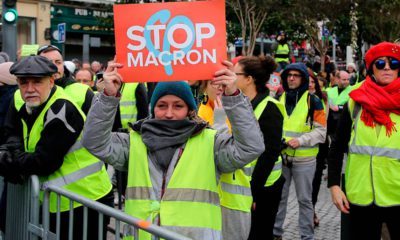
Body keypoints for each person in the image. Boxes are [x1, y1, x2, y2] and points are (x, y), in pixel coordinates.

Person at [81, 60, 265, 240]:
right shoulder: (135, 141)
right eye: (162, 105)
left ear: (189, 110)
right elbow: (94, 142)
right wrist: (107, 97)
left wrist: (233, 97)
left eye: (178, 106)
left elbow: (250, 147)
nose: (169, 113)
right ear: (153, 109)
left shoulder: (210, 142)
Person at [0, 55, 113, 239]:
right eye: (23, 82)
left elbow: (44, 162)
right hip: (64, 201)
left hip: (86, 200)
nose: (29, 89)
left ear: (51, 81)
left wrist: (8, 161)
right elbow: (13, 133)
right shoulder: (32, 103)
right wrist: (11, 150)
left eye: (37, 82)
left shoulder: (61, 109)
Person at [328, 42, 400, 240]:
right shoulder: (356, 101)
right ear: (371, 68)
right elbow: (337, 146)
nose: (387, 67)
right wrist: (334, 186)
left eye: (394, 63)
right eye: (380, 63)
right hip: (360, 196)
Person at [234, 56, 285, 240]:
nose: (232, 78)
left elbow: (269, 154)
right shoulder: (240, 104)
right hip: (244, 184)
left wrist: (252, 193)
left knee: (259, 234)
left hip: (264, 187)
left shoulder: (270, 107)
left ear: (249, 79)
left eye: (235, 74)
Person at [273, 63, 327, 240]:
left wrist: (301, 141)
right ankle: (276, 233)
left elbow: (321, 132)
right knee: (280, 198)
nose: (291, 78)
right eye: (289, 75)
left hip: (305, 160)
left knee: (305, 200)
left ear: (303, 79)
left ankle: (307, 236)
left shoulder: (314, 101)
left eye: (296, 75)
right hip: (282, 158)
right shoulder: (278, 98)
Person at [37, 45, 94, 114]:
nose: (55, 67)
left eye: (58, 62)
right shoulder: (25, 92)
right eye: (48, 63)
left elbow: (97, 122)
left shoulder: (84, 91)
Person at [326, 70, 352, 141]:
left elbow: (353, 106)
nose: (347, 81)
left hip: (345, 122)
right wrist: (331, 106)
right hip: (331, 124)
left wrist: (339, 107)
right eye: (344, 79)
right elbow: (329, 102)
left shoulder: (353, 90)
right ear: (337, 79)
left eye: (348, 79)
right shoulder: (330, 91)